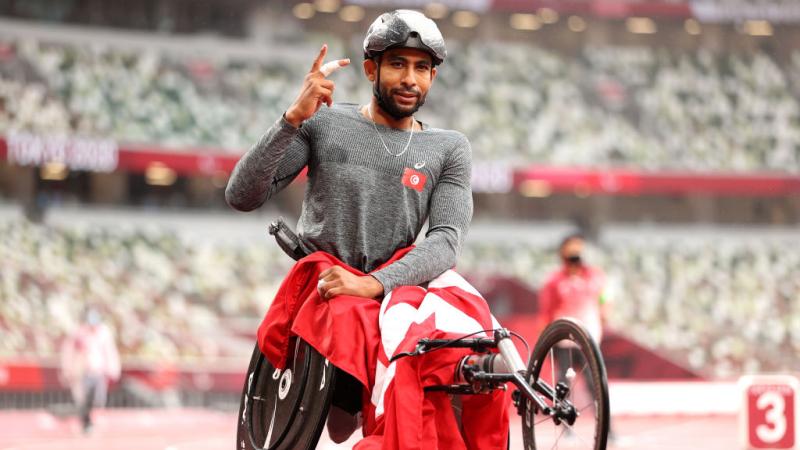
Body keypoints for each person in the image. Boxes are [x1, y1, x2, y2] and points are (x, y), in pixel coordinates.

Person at [226, 9, 485, 446]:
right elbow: (242, 195)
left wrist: (375, 285)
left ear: (433, 78)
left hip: (393, 293)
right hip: (324, 288)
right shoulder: (325, 124)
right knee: (346, 324)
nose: (411, 79)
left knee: (472, 335)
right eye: (398, 64)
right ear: (371, 68)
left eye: (423, 68)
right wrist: (291, 119)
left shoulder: (449, 148)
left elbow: (445, 243)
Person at [59, 307, 121, 433]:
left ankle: (77, 415)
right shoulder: (78, 333)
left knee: (98, 400)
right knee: (82, 398)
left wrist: (113, 368)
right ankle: (85, 422)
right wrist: (67, 369)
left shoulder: (104, 333)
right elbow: (69, 352)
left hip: (98, 371)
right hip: (82, 372)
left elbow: (109, 352)